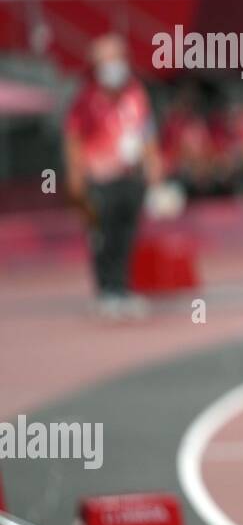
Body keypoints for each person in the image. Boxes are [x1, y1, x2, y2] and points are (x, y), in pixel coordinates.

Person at [63, 34, 163, 319]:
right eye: (106, 59)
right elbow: (73, 138)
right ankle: (106, 290)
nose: (113, 65)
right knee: (102, 235)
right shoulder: (85, 99)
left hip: (130, 177)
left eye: (116, 58)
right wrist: (75, 175)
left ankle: (123, 289)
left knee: (126, 235)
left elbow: (146, 130)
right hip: (100, 179)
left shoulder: (135, 93)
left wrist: (153, 162)